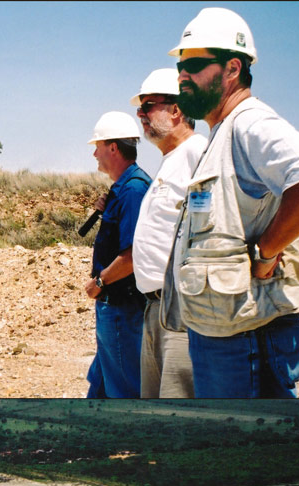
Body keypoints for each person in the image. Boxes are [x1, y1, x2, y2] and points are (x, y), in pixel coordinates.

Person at [161, 7, 299, 398]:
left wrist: (266, 253)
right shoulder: (223, 132)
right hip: (226, 331)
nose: (182, 76)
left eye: (193, 64)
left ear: (232, 69)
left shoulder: (249, 122)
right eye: (180, 66)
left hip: (247, 337)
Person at [129, 68, 207, 397]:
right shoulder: (171, 160)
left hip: (181, 310)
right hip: (155, 309)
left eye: (148, 107)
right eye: (140, 109)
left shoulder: (197, 152)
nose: (140, 115)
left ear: (175, 110)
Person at [83, 111, 151, 398]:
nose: (95, 153)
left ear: (113, 148)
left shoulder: (133, 189)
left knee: (123, 391)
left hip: (121, 308)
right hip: (113, 308)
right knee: (100, 386)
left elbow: (134, 255)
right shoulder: (124, 188)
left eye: (98, 146)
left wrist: (99, 283)